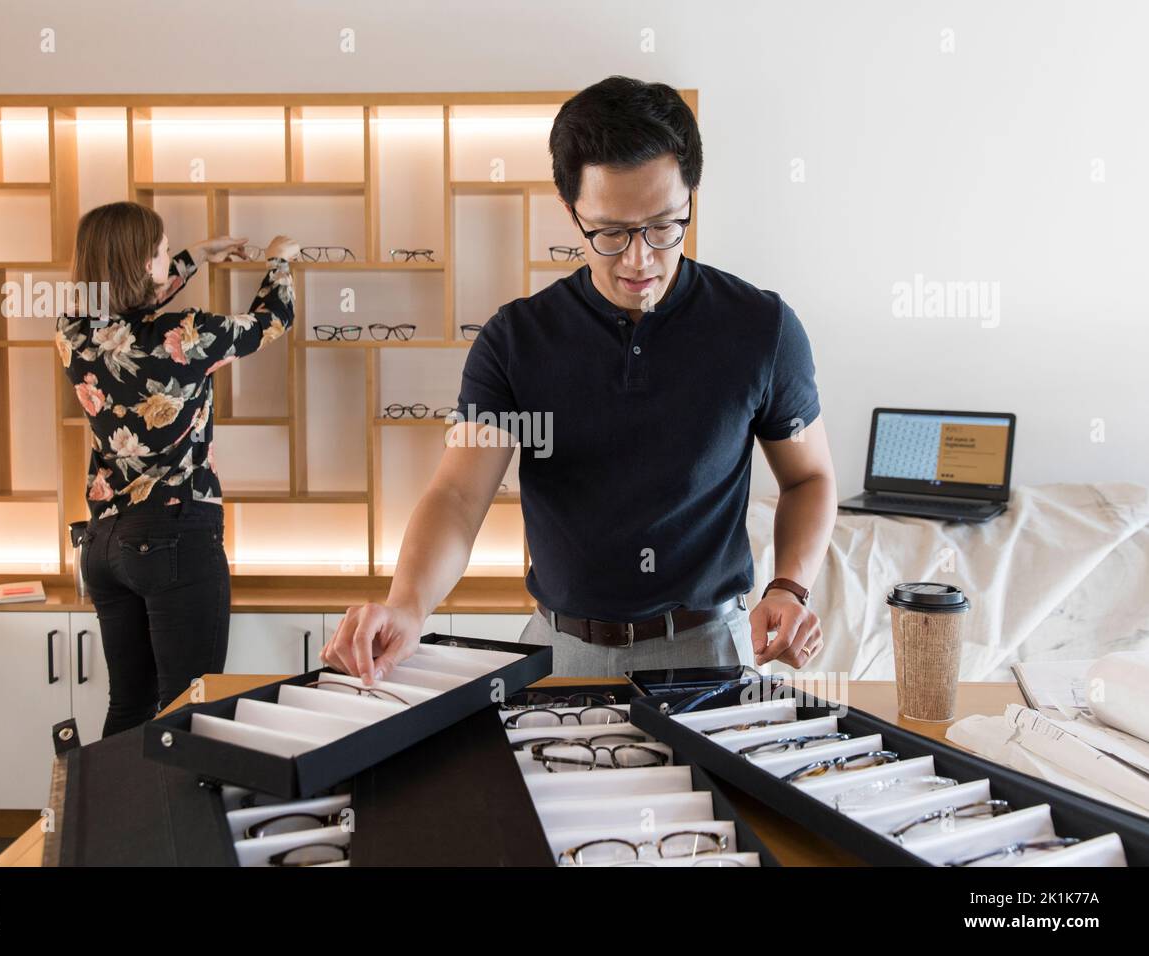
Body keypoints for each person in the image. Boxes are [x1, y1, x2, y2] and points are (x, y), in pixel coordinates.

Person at [322, 76, 837, 680]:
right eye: (611, 232)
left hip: (705, 648)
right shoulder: (516, 341)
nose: (639, 259)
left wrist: (790, 587)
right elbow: (458, 496)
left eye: (665, 226)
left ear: (692, 194)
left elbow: (808, 478)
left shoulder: (761, 329)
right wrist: (408, 603)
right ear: (571, 211)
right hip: (556, 647)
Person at [55, 200, 299, 735]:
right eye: (164, 251)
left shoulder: (73, 330)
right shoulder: (186, 334)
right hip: (173, 535)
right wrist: (280, 262)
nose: (169, 258)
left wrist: (197, 257)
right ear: (144, 263)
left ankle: (117, 819)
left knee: (130, 707)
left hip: (103, 545)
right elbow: (270, 322)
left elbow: (130, 310)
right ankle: (180, 820)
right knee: (190, 711)